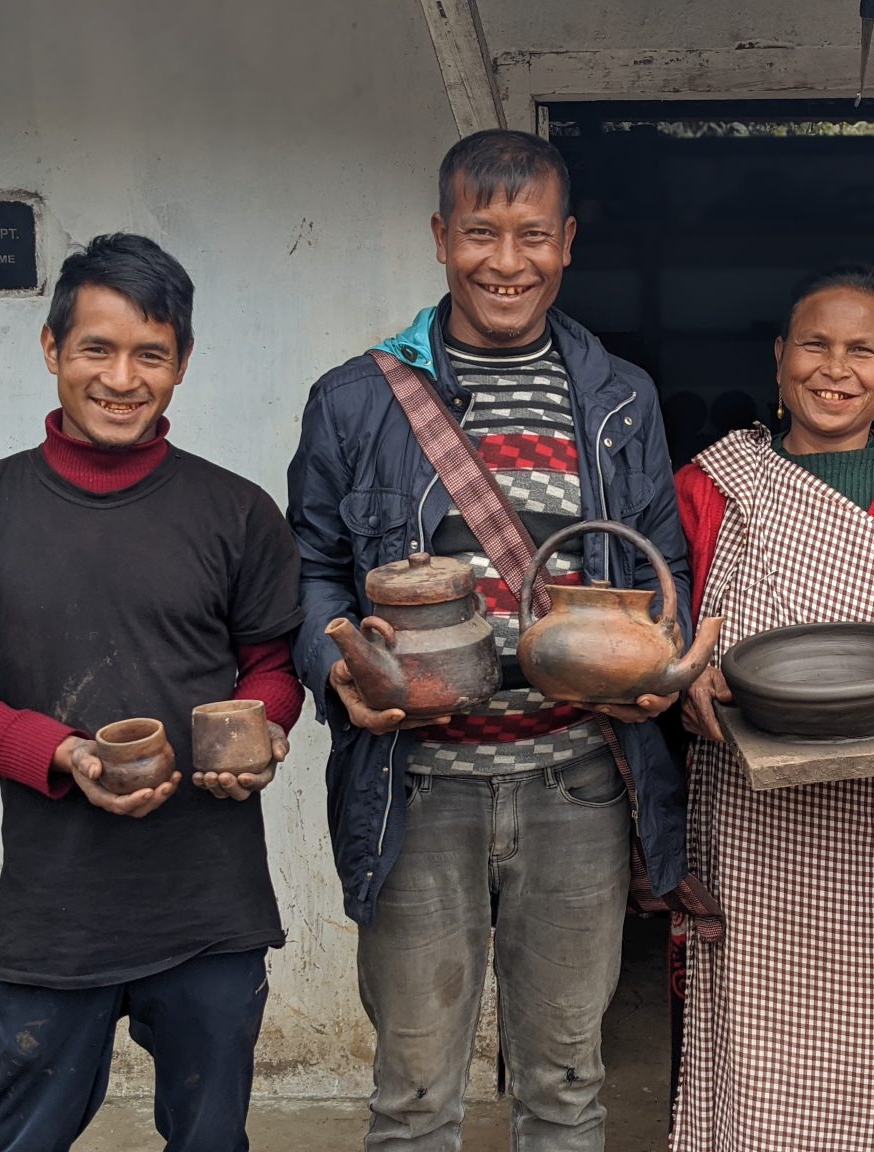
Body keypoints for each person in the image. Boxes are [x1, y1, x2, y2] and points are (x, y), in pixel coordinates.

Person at [286, 128, 692, 1151]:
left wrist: (662, 670)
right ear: (440, 237)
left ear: (565, 243)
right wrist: (337, 667)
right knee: (416, 1097)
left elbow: (662, 566)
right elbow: (312, 571)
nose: (505, 262)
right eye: (479, 233)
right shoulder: (355, 401)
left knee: (565, 1085)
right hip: (418, 788)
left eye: (529, 236)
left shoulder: (619, 399)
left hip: (577, 785)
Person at [0, 233, 305, 1152]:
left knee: (211, 1138)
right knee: (22, 1137)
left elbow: (271, 664)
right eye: (96, 349)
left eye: (150, 353)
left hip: (209, 903)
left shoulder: (236, 513)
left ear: (182, 363)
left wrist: (260, 730)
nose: (121, 377)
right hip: (52, 910)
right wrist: (60, 753)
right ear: (52, 349)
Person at [671, 265, 874, 1151]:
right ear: (779, 360)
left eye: (862, 350)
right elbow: (665, 627)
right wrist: (687, 679)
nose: (834, 368)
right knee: (752, 1004)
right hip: (747, 797)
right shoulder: (712, 485)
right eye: (815, 344)